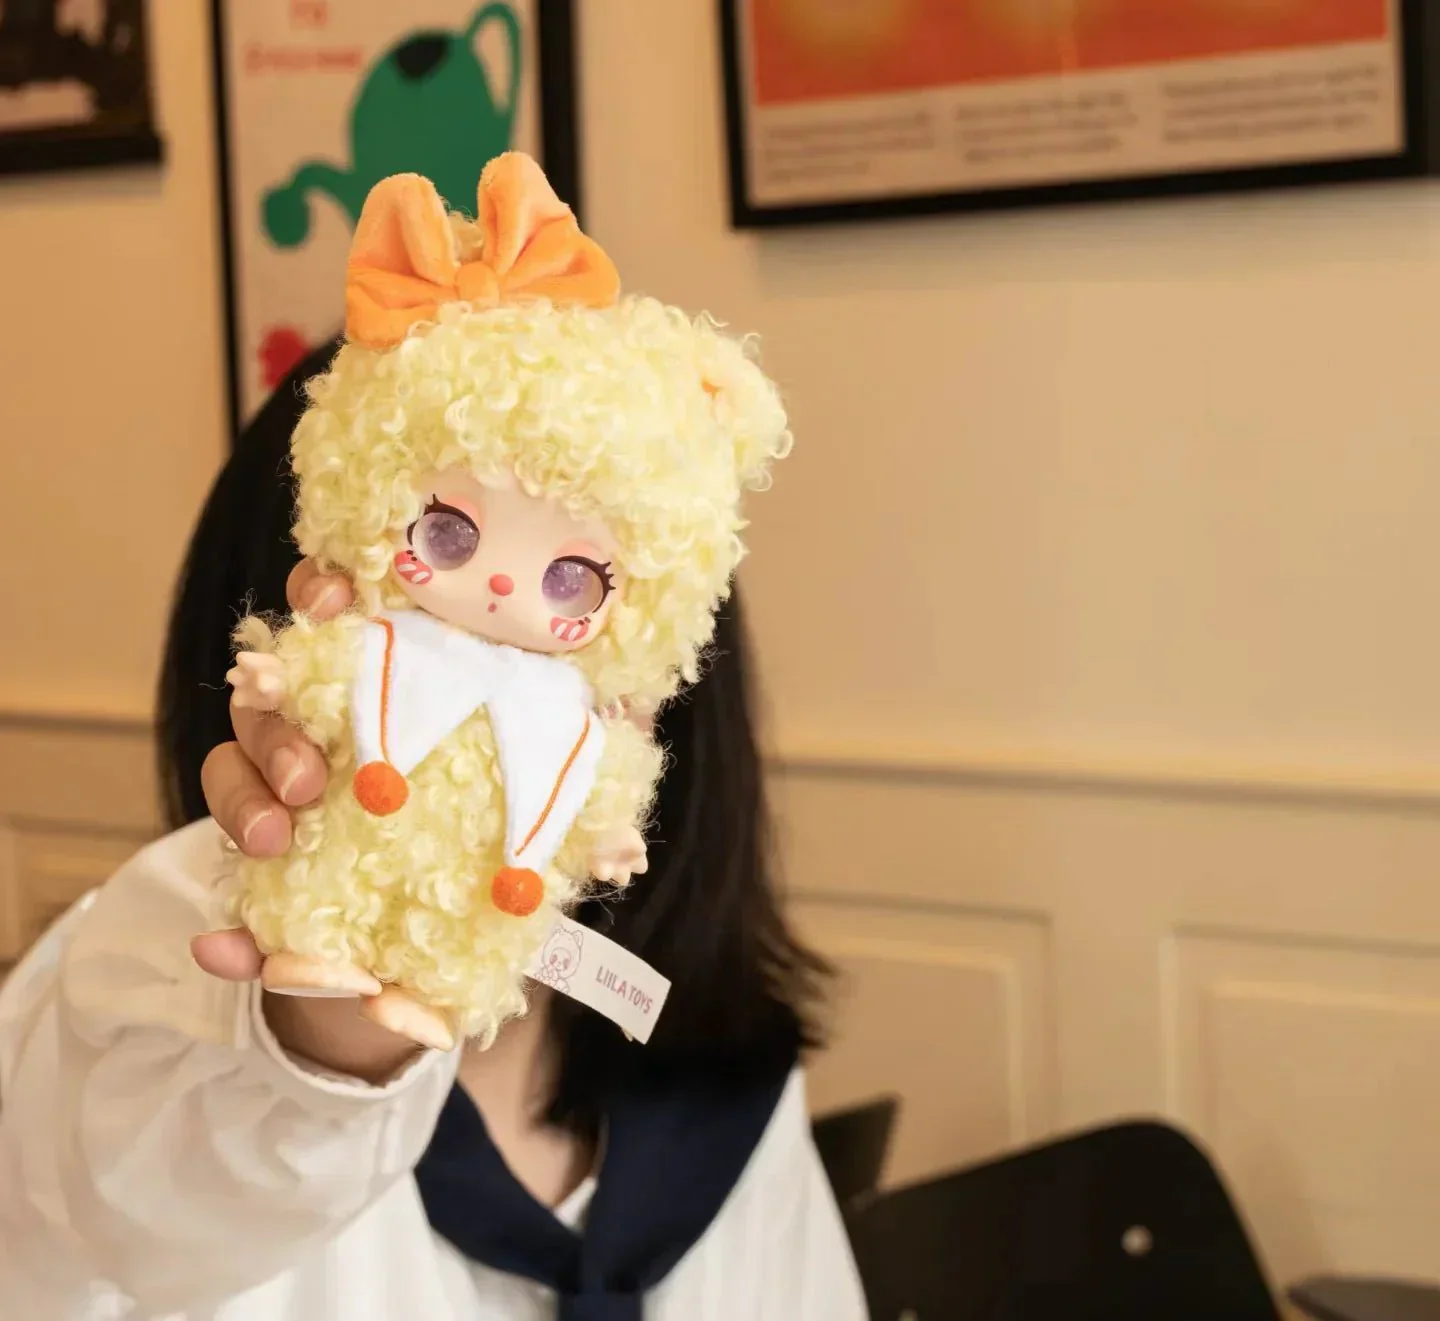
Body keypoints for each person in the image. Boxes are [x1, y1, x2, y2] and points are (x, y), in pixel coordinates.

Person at [0, 338, 868, 1320]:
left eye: (573, 579)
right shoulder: (139, 1013)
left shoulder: (723, 1089)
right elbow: (121, 1215)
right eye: (447, 536)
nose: (496, 610)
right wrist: (319, 1037)